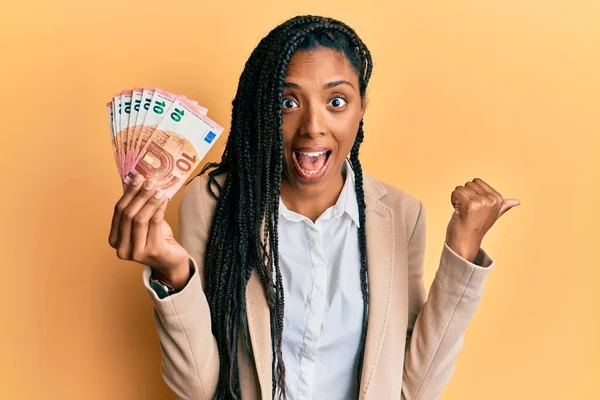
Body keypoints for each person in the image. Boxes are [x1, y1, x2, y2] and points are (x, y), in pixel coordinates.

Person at [108, 15, 519, 400]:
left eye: (336, 102)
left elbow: (415, 388)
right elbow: (200, 388)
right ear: (264, 112)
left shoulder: (400, 216)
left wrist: (463, 253)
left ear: (361, 110)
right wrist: (172, 274)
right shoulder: (214, 202)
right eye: (288, 102)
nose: (313, 126)